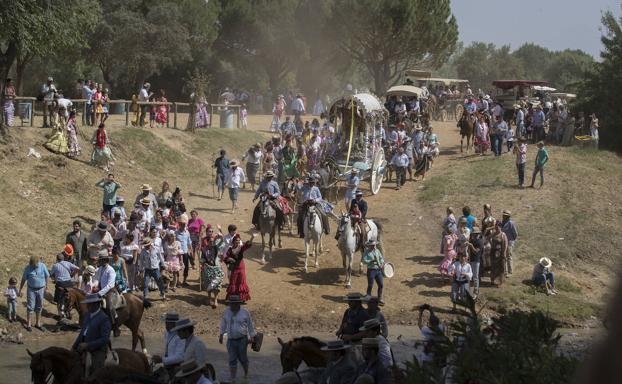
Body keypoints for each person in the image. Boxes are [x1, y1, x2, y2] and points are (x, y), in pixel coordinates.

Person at [219, 295, 257, 382]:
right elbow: (223, 323)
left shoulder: (245, 312)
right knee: (232, 359)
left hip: (242, 340)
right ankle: (233, 378)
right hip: (231, 340)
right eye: (230, 304)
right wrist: (221, 335)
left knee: (243, 359)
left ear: (238, 304)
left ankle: (246, 374)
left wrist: (252, 336)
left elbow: (250, 324)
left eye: (233, 304)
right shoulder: (226, 312)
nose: (231, 306)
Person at [71, 294, 111, 375]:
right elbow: (81, 334)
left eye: (89, 304)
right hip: (83, 346)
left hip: (98, 350)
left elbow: (105, 339)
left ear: (96, 304)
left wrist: (88, 345)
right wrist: (73, 347)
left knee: (95, 369)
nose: (87, 306)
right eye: (87, 304)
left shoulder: (104, 318)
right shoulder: (87, 315)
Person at [18, 255, 50, 332]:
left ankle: (38, 323)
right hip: (31, 290)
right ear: (31, 263)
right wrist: (20, 289)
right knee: (30, 306)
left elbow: (47, 276)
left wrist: (47, 287)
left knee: (39, 306)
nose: (36, 266)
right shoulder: (28, 268)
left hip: (41, 289)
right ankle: (29, 324)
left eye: (37, 264)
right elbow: (23, 279)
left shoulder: (42, 266)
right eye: (34, 265)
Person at [93, 253, 120, 337]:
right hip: (101, 290)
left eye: (102, 260)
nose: (101, 262)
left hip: (110, 291)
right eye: (100, 260)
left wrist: (100, 293)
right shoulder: (100, 268)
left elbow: (110, 285)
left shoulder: (111, 270)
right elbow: (96, 278)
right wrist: (95, 286)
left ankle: (115, 326)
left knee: (109, 306)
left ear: (106, 261)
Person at [152, 311, 185, 376]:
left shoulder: (180, 337)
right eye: (166, 323)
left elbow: (180, 357)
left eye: (168, 323)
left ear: (174, 324)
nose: (166, 325)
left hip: (177, 368)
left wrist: (162, 359)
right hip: (168, 366)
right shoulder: (167, 333)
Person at [224, 233, 255, 301]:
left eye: (239, 240)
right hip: (234, 268)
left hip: (241, 267)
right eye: (236, 240)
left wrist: (252, 237)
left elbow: (247, 245)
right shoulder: (230, 249)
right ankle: (233, 298)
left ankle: (242, 297)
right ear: (233, 242)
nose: (238, 241)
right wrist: (229, 259)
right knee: (233, 281)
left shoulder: (241, 248)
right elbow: (225, 258)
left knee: (241, 281)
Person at [201, 225, 225, 308]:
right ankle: (209, 298)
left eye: (212, 242)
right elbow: (202, 259)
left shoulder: (216, 247)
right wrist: (204, 263)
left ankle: (215, 300)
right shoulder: (204, 249)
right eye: (210, 242)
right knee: (208, 284)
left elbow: (222, 241)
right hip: (207, 268)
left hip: (216, 268)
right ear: (208, 242)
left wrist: (220, 233)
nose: (211, 243)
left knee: (217, 285)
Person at [50, 252, 79, 317]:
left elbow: (51, 274)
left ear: (57, 259)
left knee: (58, 300)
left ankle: (60, 314)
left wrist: (55, 278)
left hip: (60, 284)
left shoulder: (55, 265)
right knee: (68, 299)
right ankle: (68, 311)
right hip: (69, 283)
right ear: (63, 258)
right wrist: (72, 274)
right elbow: (77, 268)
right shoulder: (67, 263)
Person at [362, 240, 385, 305]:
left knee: (381, 284)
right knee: (370, 285)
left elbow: (381, 259)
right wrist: (370, 261)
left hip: (378, 270)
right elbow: (364, 261)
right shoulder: (366, 252)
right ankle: (368, 296)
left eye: (374, 245)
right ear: (369, 245)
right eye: (372, 245)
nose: (373, 246)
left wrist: (382, 264)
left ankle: (380, 298)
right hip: (371, 270)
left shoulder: (377, 251)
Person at [465, 227, 483, 298]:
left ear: (478, 234)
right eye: (473, 234)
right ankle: (467, 291)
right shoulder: (472, 240)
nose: (474, 236)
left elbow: (476, 251)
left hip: (476, 261)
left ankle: (475, 292)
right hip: (471, 260)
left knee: (475, 277)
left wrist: (471, 245)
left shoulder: (480, 242)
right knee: (468, 276)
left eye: (476, 234)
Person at [500, 210, 518, 276]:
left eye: (505, 215)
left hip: (509, 242)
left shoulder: (511, 223)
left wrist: (512, 241)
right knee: (504, 256)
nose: (503, 216)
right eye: (503, 215)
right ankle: (505, 270)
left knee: (508, 256)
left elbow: (515, 234)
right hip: (503, 242)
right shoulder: (503, 223)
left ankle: (510, 271)